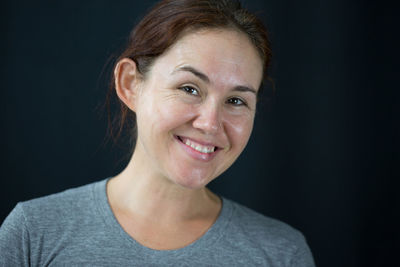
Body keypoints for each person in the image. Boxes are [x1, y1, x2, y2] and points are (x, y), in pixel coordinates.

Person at [0, 0, 315, 266]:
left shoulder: (281, 253)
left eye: (236, 100)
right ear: (129, 84)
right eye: (189, 88)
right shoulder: (33, 234)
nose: (210, 123)